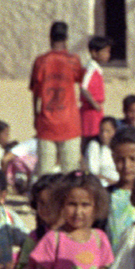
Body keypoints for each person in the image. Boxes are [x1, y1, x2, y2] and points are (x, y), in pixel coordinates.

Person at [29, 21, 83, 175]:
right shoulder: (73, 60)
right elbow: (82, 82)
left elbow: (35, 93)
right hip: (70, 122)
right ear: (66, 39)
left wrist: (35, 115)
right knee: (70, 173)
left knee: (45, 173)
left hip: (46, 122)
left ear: (50, 38)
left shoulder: (40, 62)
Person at [107, 126, 135, 251]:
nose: (127, 165)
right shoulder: (106, 196)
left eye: (133, 159)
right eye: (121, 159)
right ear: (113, 158)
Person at [79, 35, 110, 148]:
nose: (108, 55)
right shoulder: (90, 69)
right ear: (94, 53)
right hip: (90, 111)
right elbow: (83, 87)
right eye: (105, 52)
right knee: (90, 138)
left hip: (96, 110)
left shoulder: (96, 69)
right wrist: (94, 103)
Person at [85, 117, 119, 186]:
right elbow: (93, 173)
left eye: (108, 131)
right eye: (102, 131)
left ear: (115, 131)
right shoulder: (94, 146)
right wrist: (112, 182)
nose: (104, 135)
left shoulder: (119, 147)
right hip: (103, 186)